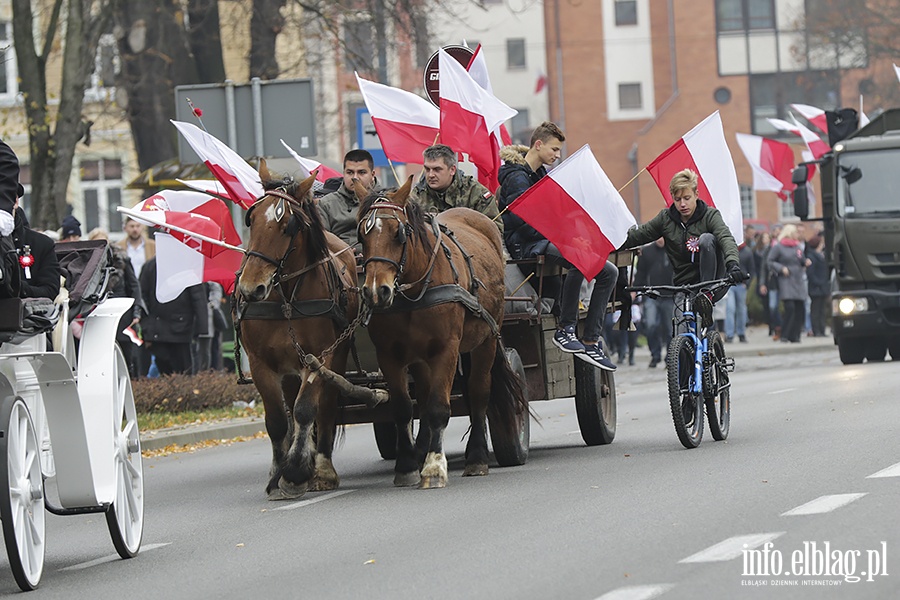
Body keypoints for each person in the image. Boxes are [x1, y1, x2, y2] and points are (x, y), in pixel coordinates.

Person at [498, 121, 619, 371]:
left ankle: (591, 340)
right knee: (579, 261)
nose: (557, 155)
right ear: (538, 144)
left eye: (559, 151)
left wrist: (574, 234)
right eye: (554, 149)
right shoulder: (516, 177)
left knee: (610, 272)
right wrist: (561, 237)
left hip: (547, 240)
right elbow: (522, 221)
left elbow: (555, 213)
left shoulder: (541, 174)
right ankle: (565, 329)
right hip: (526, 245)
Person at [619, 169, 744, 334]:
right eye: (677, 200)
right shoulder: (665, 219)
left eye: (687, 198)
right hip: (683, 285)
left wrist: (733, 264)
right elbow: (638, 236)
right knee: (680, 332)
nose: (682, 204)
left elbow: (725, 237)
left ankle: (705, 297)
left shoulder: (710, 215)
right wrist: (608, 241)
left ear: (696, 194)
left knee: (706, 239)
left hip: (712, 281)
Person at [409, 144, 502, 233]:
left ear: (452, 170)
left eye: (437, 169)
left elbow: (495, 230)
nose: (431, 175)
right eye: (427, 169)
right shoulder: (416, 197)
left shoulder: (475, 192)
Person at [88, 227, 144, 377]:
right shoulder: (88, 264)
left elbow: (134, 286)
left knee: (127, 351)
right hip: (99, 310)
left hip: (122, 310)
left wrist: (136, 310)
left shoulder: (121, 259)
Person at [139, 257, 209, 375]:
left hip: (181, 330)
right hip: (160, 329)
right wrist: (147, 326)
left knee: (182, 371)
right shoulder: (151, 266)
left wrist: (200, 328)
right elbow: (142, 297)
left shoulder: (188, 268)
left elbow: (198, 299)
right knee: (166, 371)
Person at [316, 149, 377, 249]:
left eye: (362, 172)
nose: (355, 178)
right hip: (339, 261)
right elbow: (320, 239)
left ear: (372, 175)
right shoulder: (326, 204)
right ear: (343, 173)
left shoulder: (385, 202)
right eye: (350, 172)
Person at [633, 237, 674, 367]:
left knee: (670, 328)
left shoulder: (673, 250)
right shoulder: (647, 252)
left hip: (670, 294)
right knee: (650, 326)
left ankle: (670, 357)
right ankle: (655, 355)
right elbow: (641, 273)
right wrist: (635, 289)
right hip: (652, 294)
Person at [766, 223, 809, 344]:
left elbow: (801, 259)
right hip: (786, 280)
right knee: (790, 308)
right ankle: (785, 334)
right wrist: (781, 268)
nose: (797, 234)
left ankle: (795, 335)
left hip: (798, 279)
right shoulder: (779, 247)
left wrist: (805, 262)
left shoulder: (798, 247)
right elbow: (770, 261)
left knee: (800, 308)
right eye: (795, 232)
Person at [724, 227, 757, 343]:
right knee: (730, 309)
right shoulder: (726, 250)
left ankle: (741, 333)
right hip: (729, 285)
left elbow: (752, 269)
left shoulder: (747, 251)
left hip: (741, 285)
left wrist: (746, 283)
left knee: (741, 309)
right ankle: (729, 334)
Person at [805, 232, 829, 337]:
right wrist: (819, 283)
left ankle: (822, 329)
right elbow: (810, 273)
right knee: (815, 310)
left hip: (822, 287)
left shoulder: (821, 255)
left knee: (822, 310)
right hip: (816, 287)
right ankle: (816, 330)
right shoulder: (812, 257)